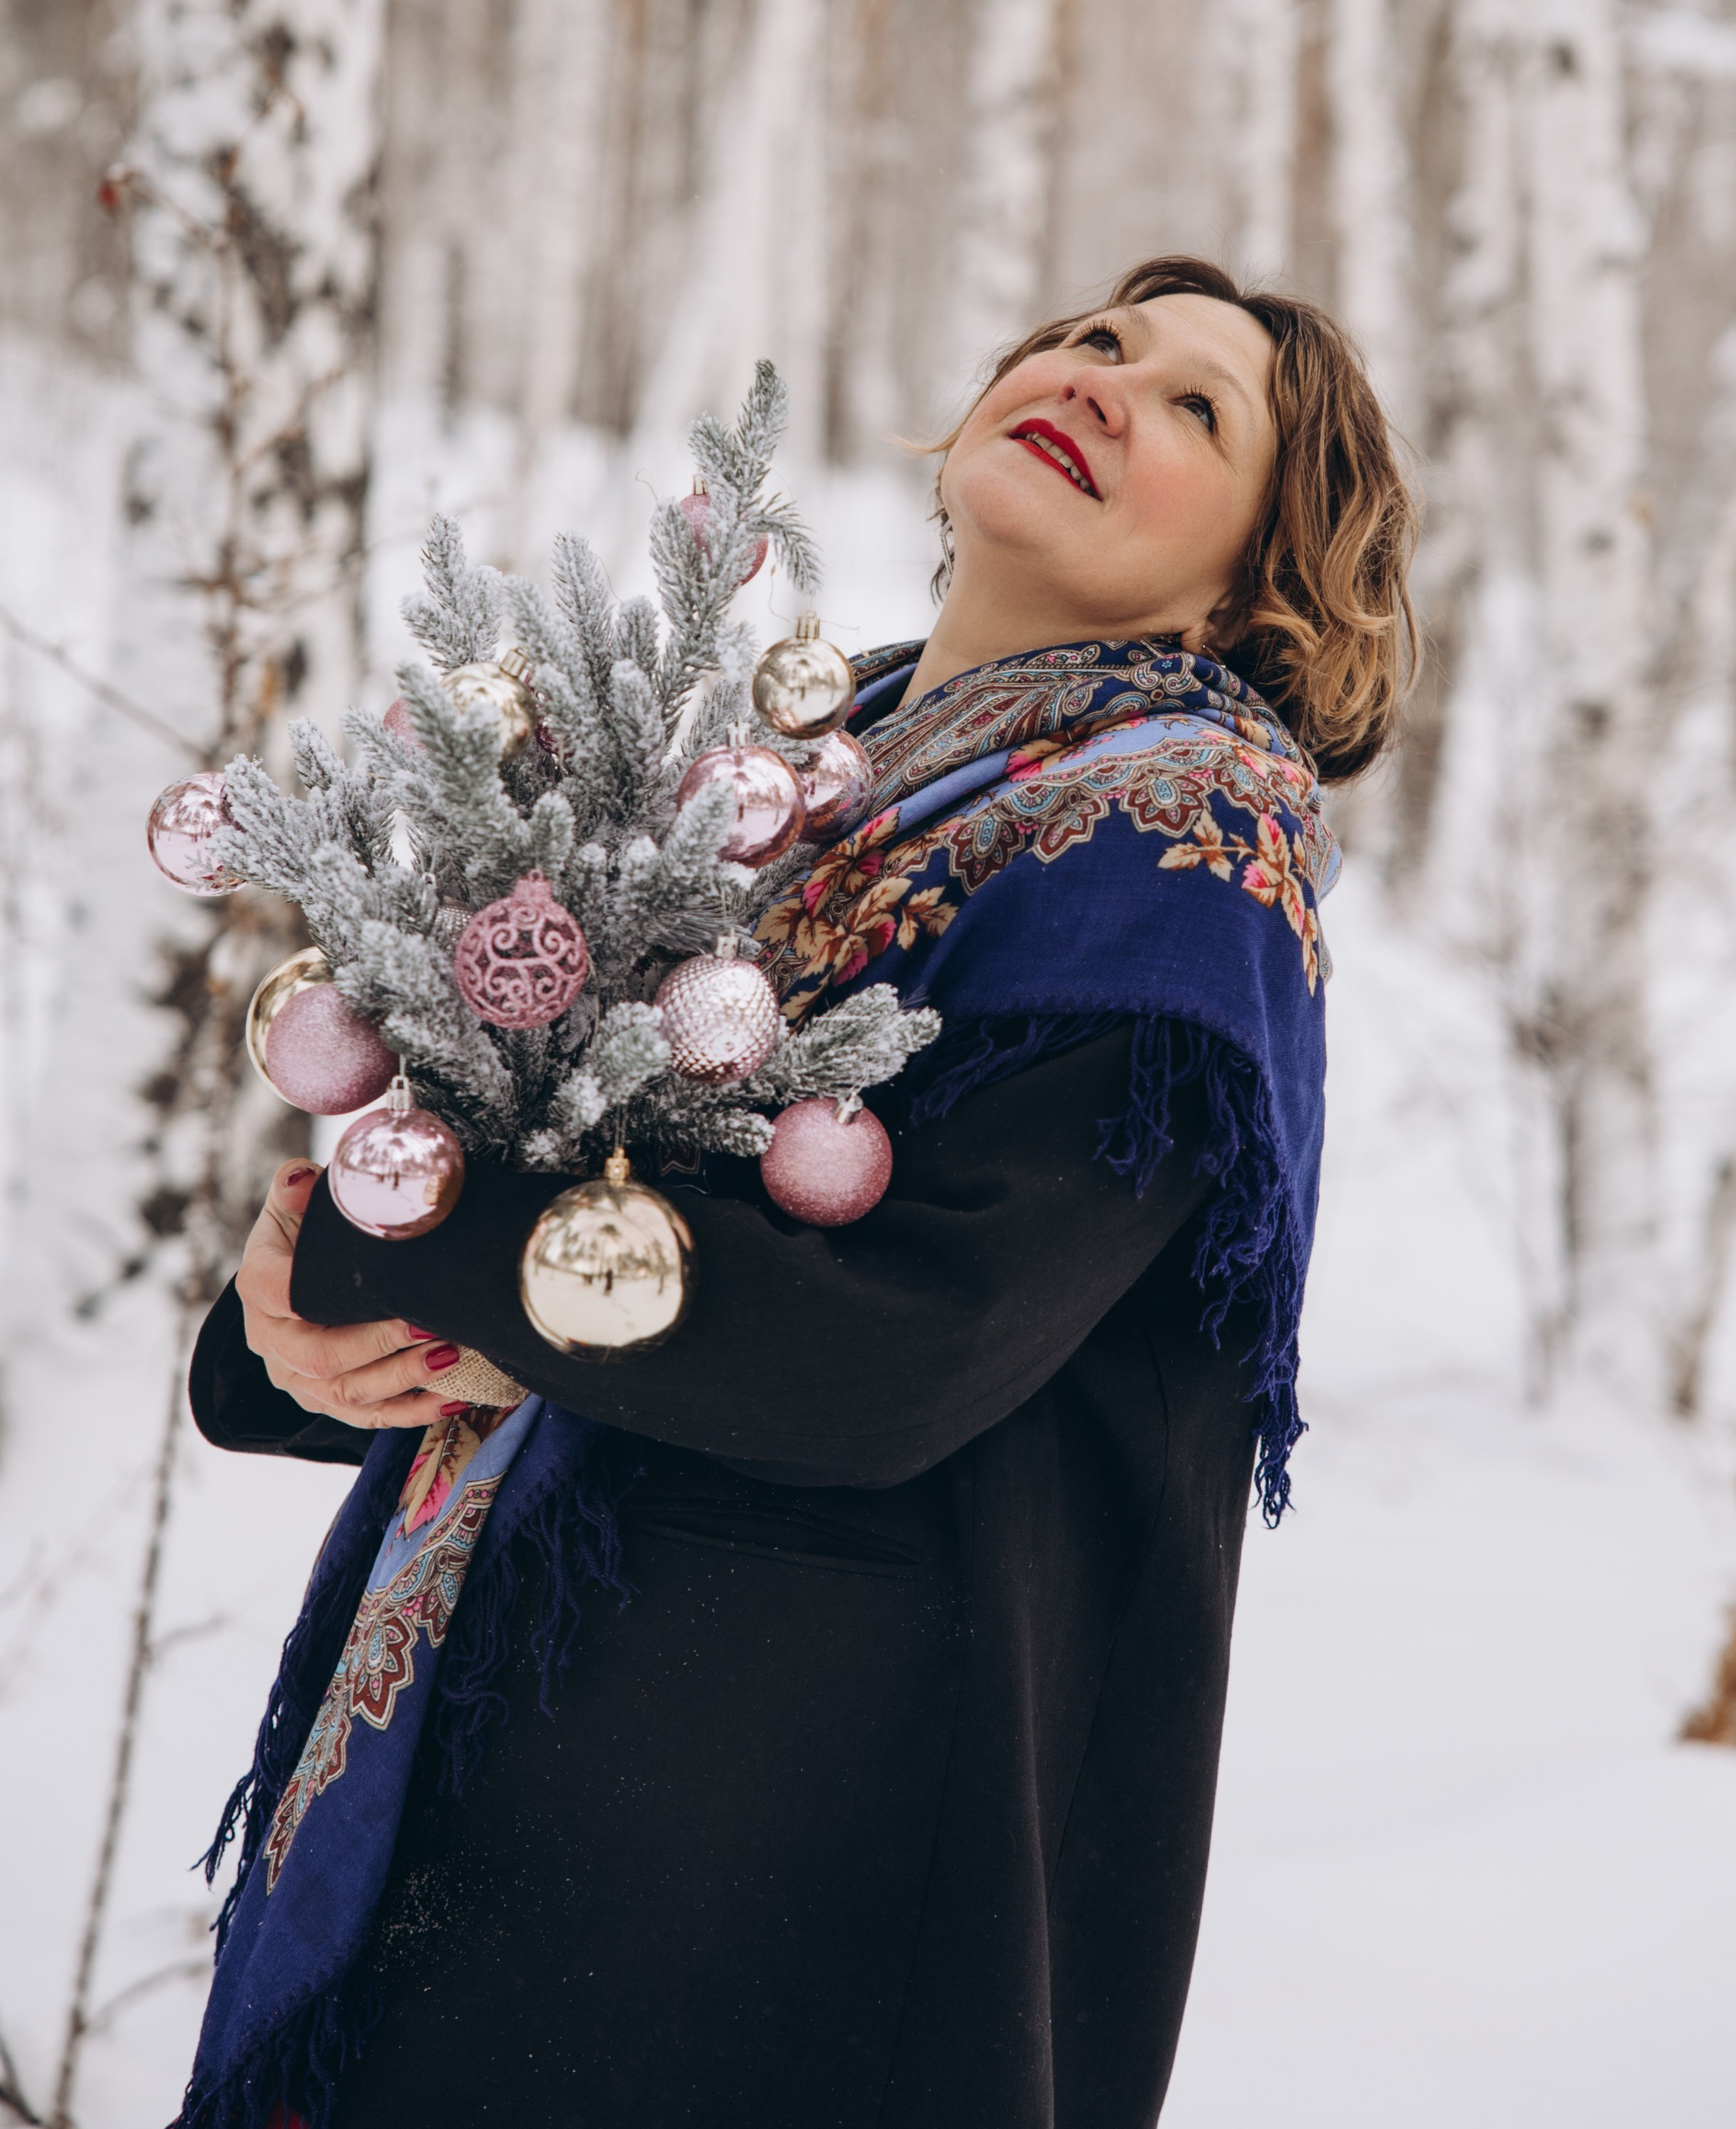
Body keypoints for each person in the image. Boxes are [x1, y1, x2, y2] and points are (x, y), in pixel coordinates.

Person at [180, 253, 1417, 2129]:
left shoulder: (1177, 851)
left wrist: (415, 1243)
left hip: (798, 1854)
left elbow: (896, 1345)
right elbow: (523, 1166)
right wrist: (305, 1319)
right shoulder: (794, 777)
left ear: (1257, 584)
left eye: (1193, 408)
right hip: (535, 1755)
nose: (1101, 379)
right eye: (1094, 340)